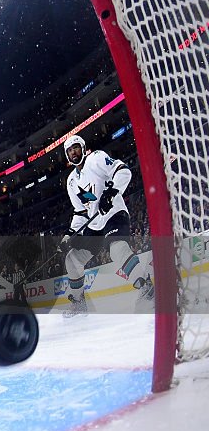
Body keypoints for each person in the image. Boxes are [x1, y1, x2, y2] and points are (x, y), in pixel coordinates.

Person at [59, 134, 154, 317]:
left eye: (76, 148)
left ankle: (145, 286)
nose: (73, 152)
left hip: (113, 214)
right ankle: (79, 302)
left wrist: (111, 192)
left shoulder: (96, 158)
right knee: (72, 259)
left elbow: (123, 171)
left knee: (117, 250)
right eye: (70, 150)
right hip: (94, 226)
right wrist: (69, 234)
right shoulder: (71, 181)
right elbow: (80, 213)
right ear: (67, 155)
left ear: (83, 147)